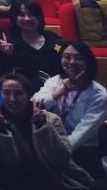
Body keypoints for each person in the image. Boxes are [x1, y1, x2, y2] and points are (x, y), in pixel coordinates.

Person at [0, 73, 94, 189]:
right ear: (0, 94)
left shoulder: (50, 119)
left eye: (18, 93)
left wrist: (42, 126)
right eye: (6, 93)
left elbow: (61, 160)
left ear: (27, 95)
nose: (12, 99)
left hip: (58, 182)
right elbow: (10, 164)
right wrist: (1, 130)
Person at [33, 41, 107, 177]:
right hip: (51, 143)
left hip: (82, 150)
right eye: (67, 57)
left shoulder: (99, 95)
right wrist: (59, 92)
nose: (71, 62)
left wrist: (57, 152)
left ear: (88, 62)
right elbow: (34, 105)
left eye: (78, 58)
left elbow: (81, 134)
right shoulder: (55, 81)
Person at [0, 0, 62, 84]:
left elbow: (62, 63)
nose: (27, 18)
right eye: (21, 15)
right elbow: (3, 76)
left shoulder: (53, 39)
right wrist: (8, 55)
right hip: (24, 89)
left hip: (54, 87)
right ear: (15, 18)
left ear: (39, 16)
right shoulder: (10, 45)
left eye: (31, 14)